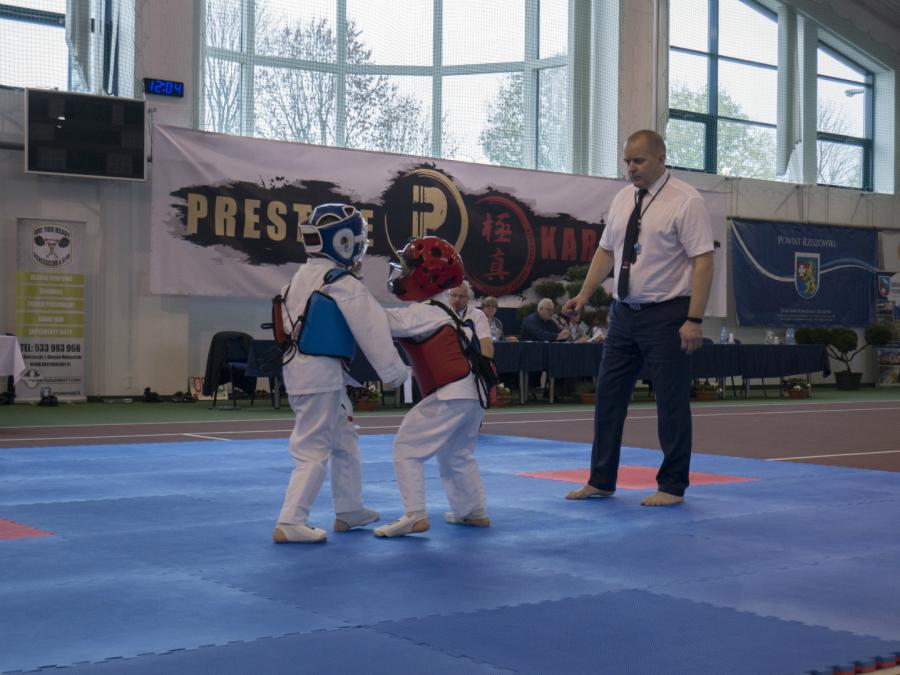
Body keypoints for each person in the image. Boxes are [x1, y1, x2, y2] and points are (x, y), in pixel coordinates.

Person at [563, 130, 715, 507]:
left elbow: (703, 261)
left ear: (661, 158)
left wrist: (694, 318)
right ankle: (600, 480)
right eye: (627, 161)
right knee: (608, 398)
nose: (631, 168)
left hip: (667, 315)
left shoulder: (686, 201)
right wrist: (584, 294)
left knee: (671, 401)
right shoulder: (622, 198)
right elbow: (606, 251)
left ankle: (672, 486)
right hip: (623, 315)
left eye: (639, 161)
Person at [272, 203, 409, 543]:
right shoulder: (341, 283)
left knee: (344, 439)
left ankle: (349, 509)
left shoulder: (299, 279)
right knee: (312, 448)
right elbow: (372, 327)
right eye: (357, 244)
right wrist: (395, 373)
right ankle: (290, 521)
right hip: (318, 375)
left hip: (309, 371)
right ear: (344, 242)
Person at [374, 236, 493, 537]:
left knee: (406, 448)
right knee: (457, 454)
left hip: (451, 394)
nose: (401, 274)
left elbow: (376, 322)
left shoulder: (425, 313)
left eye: (406, 268)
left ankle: (415, 514)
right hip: (471, 396)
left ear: (426, 276)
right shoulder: (443, 311)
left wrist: (350, 302)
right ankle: (473, 511)